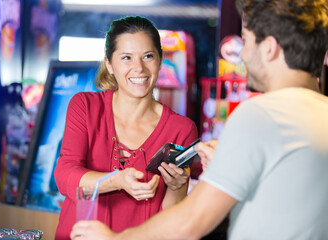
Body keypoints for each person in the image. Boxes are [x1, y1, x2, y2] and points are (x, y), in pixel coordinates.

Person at [70, 0, 328, 239]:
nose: (243, 54)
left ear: (269, 48)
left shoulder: (259, 115)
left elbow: (191, 222)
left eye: (246, 41)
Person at [54, 16, 198, 240]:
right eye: (126, 58)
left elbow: (171, 222)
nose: (138, 68)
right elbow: (65, 176)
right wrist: (116, 181)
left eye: (148, 56)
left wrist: (177, 186)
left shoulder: (182, 129)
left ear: (160, 61)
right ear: (109, 64)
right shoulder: (85, 106)